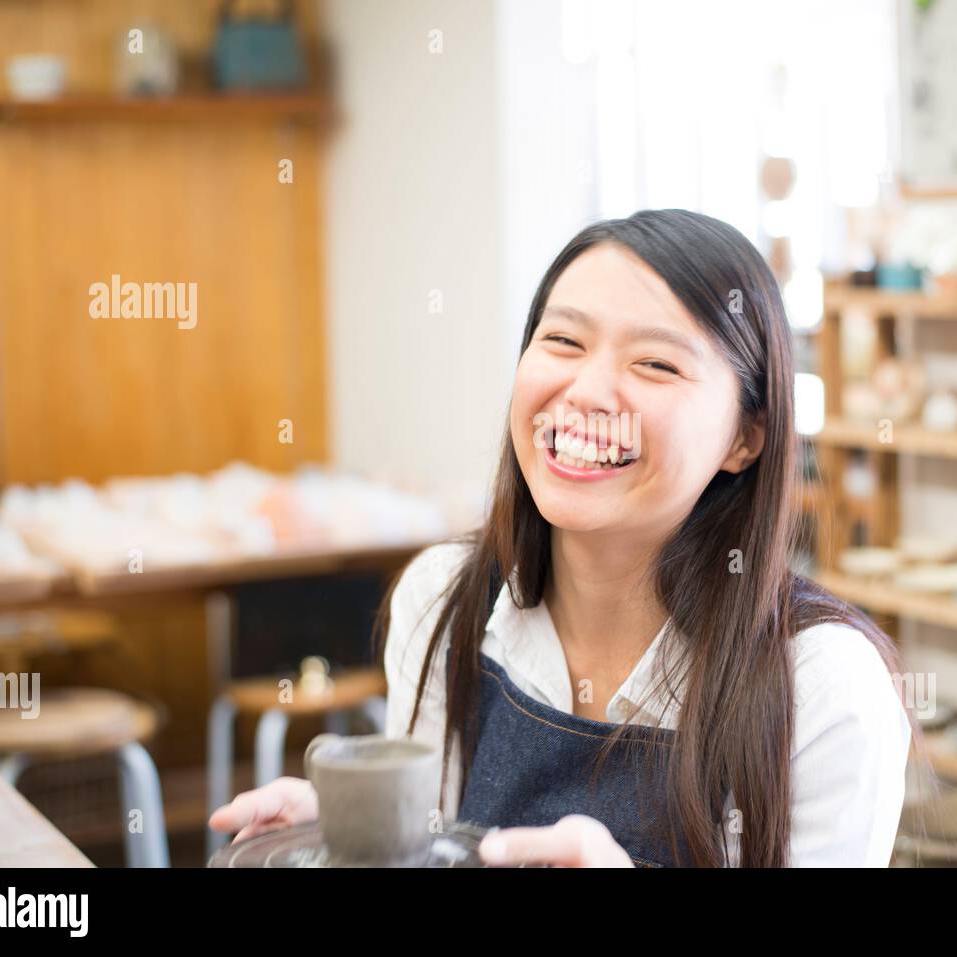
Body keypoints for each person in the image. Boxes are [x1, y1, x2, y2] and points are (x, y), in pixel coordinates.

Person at [210, 209, 920, 867]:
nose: (585, 391)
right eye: (563, 341)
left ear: (746, 436)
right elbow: (435, 849)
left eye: (655, 363)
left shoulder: (824, 687)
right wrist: (349, 844)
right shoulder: (444, 602)